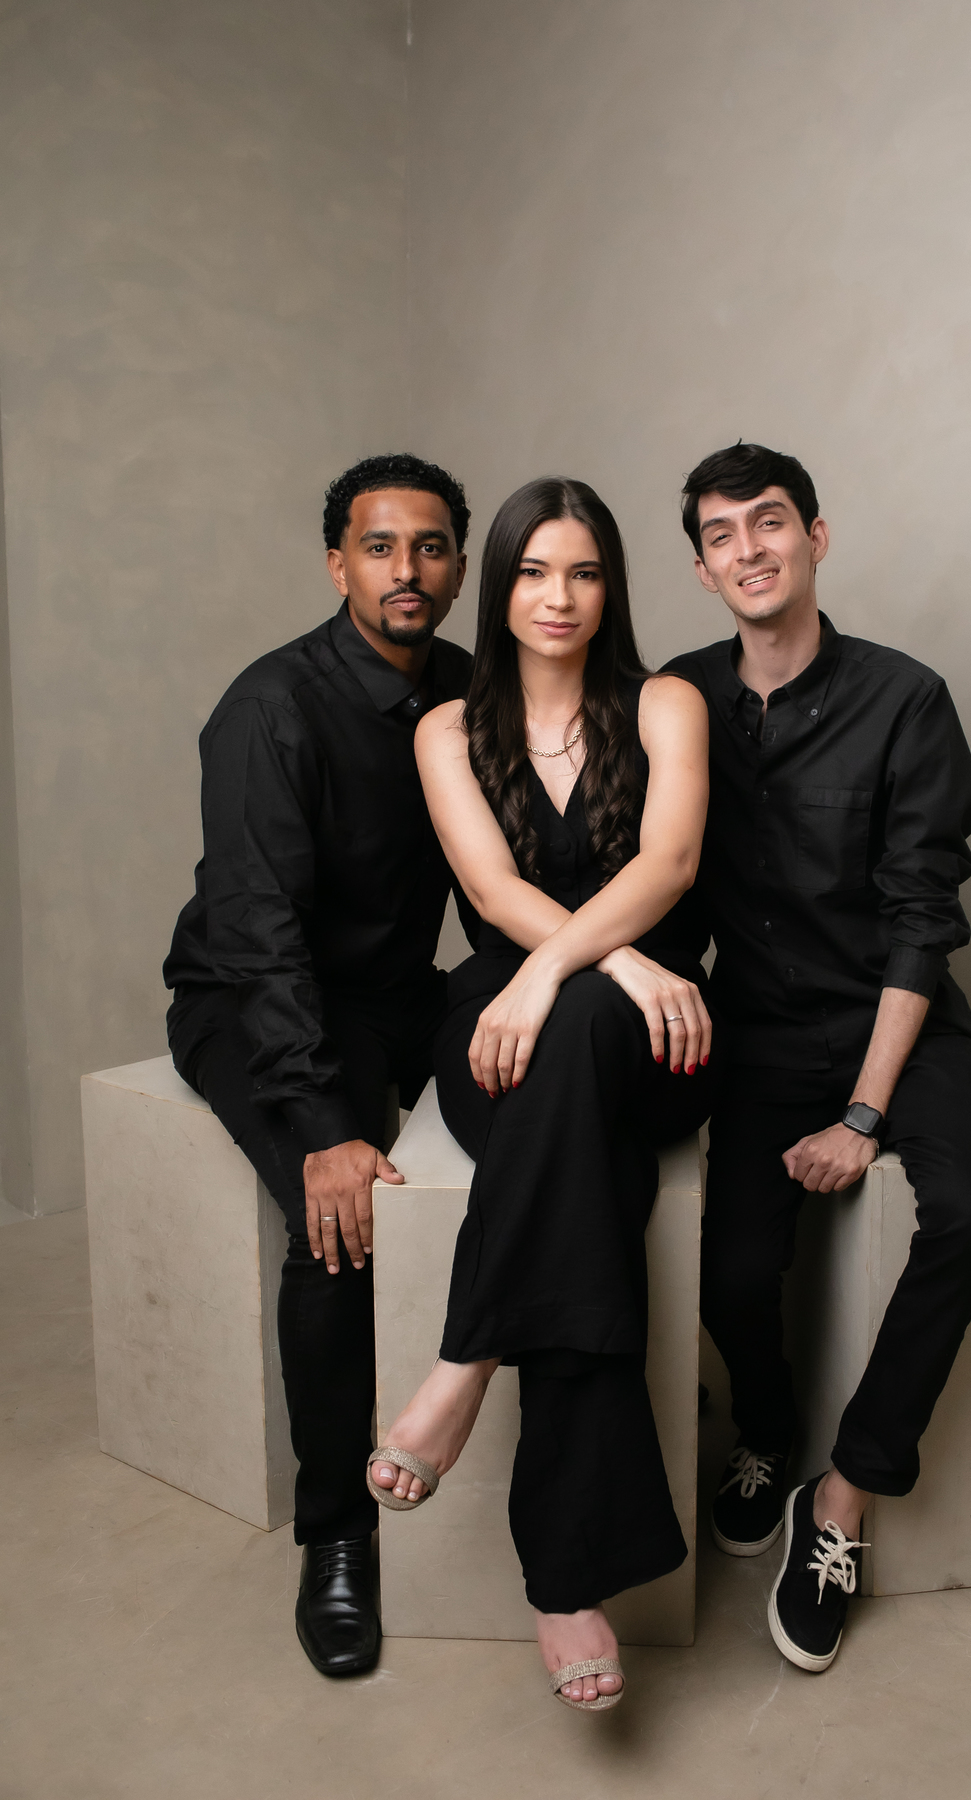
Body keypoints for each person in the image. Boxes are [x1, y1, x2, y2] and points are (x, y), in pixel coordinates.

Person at [365, 477, 719, 1711]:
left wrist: (570, 973)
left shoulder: (666, 703)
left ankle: (465, 1357)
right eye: (531, 571)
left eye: (583, 571)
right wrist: (598, 963)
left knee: (578, 1041)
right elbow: (491, 886)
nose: (557, 596)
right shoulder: (445, 730)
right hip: (503, 1035)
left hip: (654, 1036)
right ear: (499, 588)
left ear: (610, 586)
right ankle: (567, 1582)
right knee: (591, 1173)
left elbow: (670, 863)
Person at [665, 442, 971, 1674]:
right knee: (729, 1278)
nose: (749, 549)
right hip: (755, 1028)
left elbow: (924, 918)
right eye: (721, 534)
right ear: (702, 569)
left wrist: (864, 1115)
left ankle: (844, 1495)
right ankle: (763, 1432)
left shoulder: (906, 698)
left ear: (816, 537)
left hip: (896, 1021)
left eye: (770, 522)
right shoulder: (679, 698)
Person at [164, 453, 476, 1678]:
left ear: (458, 565)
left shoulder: (469, 689)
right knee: (334, 1225)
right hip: (254, 1002)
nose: (408, 569)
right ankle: (338, 1532)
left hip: (396, 993)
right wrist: (321, 1124)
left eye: (431, 546)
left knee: (566, 1097)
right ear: (337, 563)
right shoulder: (271, 707)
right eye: (380, 546)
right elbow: (257, 931)